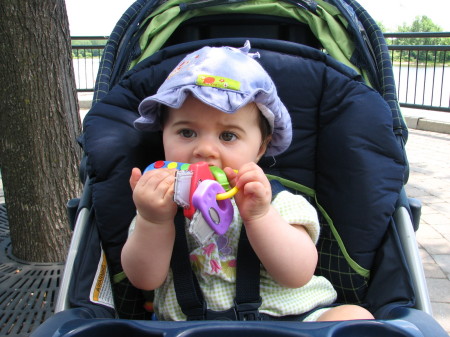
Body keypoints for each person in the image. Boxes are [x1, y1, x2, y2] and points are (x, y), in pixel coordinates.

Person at [121, 41, 374, 321]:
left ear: (261, 148)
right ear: (163, 135)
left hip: (289, 322)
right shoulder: (159, 205)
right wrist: (153, 221)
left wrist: (260, 217)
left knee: (354, 317)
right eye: (186, 133)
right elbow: (144, 279)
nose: (205, 149)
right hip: (191, 326)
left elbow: (298, 274)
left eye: (228, 136)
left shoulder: (275, 202)